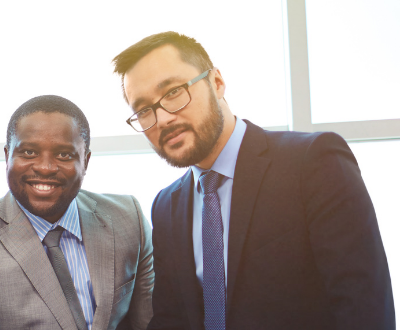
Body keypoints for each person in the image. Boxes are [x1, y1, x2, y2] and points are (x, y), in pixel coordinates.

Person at [112, 31, 393, 330]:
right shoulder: (167, 206)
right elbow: (173, 320)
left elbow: (364, 307)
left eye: (172, 93)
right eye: (143, 110)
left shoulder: (313, 162)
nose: (163, 118)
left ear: (217, 83)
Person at [0, 95, 154, 330]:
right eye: (29, 152)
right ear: (7, 156)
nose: (45, 167)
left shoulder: (128, 219)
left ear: (86, 162)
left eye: (64, 155)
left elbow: (151, 322)